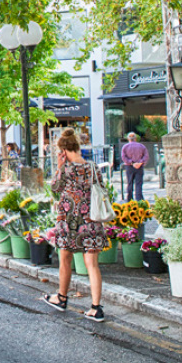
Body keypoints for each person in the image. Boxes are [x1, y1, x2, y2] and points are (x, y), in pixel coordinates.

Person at [45, 129, 108, 322]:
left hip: (69, 220)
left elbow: (55, 188)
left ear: (63, 150)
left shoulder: (66, 168)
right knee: (92, 264)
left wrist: (59, 165)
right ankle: (96, 308)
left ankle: (62, 298)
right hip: (91, 220)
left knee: (65, 259)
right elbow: (102, 189)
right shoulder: (93, 167)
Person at [121, 132, 149, 201]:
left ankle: (130, 199)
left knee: (130, 183)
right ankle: (139, 199)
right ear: (135, 138)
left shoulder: (125, 147)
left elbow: (123, 157)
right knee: (139, 183)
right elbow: (146, 156)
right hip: (139, 167)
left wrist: (131, 163)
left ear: (128, 138)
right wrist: (140, 162)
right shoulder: (141, 146)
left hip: (129, 167)